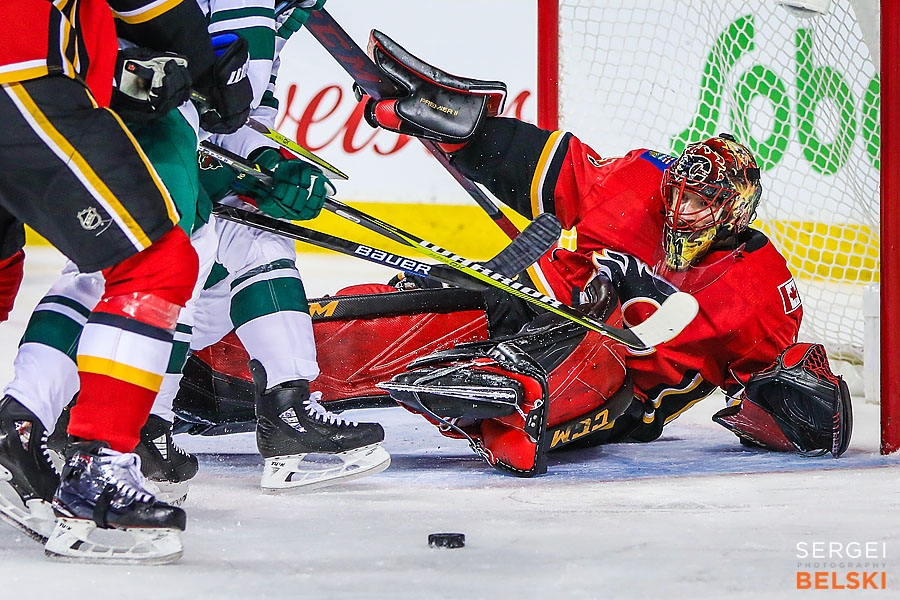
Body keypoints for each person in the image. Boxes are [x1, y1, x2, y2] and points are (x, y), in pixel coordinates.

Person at [354, 30, 852, 475]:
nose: (679, 209)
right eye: (677, 192)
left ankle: (504, 389)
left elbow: (792, 409)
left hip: (617, 392)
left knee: (588, 353)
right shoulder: (637, 182)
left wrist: (797, 399)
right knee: (434, 305)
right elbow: (551, 169)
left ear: (733, 213)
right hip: (534, 307)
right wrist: (469, 135)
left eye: (698, 202)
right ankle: (298, 364)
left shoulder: (759, 292)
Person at [0, 0, 252, 563]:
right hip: (19, 77)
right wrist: (207, 68)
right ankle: (97, 464)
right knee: (156, 263)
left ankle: (20, 433)